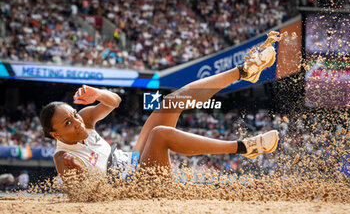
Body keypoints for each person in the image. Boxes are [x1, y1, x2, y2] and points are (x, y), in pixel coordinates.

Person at [40, 33, 280, 178]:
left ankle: (243, 71)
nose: (77, 122)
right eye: (68, 123)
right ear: (55, 134)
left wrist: (96, 93)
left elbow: (114, 102)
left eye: (74, 115)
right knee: (159, 134)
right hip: (137, 183)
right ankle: (242, 147)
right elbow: (81, 194)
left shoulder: (85, 119)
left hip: (132, 160)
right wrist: (75, 173)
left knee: (169, 103)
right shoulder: (63, 157)